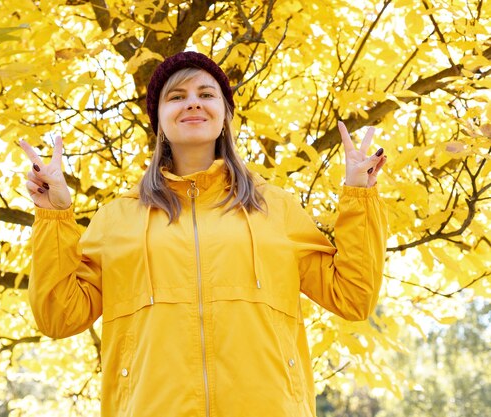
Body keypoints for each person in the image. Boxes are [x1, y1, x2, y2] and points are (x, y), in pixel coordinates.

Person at [20, 51, 388, 417]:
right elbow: (58, 316)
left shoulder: (276, 208)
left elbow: (353, 296)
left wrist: (359, 196)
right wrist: (53, 215)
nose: (192, 103)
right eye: (176, 97)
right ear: (159, 120)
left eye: (206, 94)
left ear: (225, 114)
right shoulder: (116, 219)